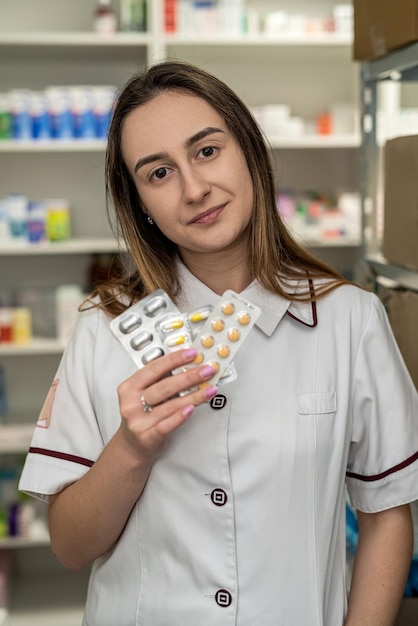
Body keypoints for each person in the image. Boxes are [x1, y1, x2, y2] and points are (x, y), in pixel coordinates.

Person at [19, 60, 418, 626]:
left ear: (249, 151)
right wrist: (132, 449)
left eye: (206, 151)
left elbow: (386, 516)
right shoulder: (103, 328)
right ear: (140, 205)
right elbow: (70, 546)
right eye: (158, 173)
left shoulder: (350, 319)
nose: (194, 188)